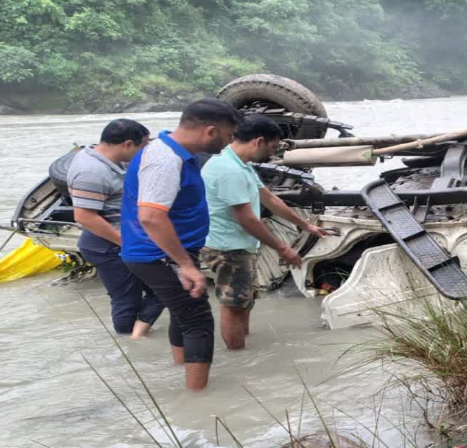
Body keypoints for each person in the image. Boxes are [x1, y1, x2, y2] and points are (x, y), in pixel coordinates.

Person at [120, 99, 242, 391]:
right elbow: (150, 217)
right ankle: (197, 400)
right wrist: (185, 265)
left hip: (166, 252)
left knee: (183, 315)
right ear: (211, 131)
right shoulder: (165, 159)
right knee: (199, 321)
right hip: (159, 255)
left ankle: (182, 372)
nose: (228, 144)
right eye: (228, 136)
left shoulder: (175, 152)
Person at [201, 114, 329, 351]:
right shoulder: (229, 170)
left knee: (244, 301)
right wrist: (283, 248)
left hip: (242, 246)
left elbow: (269, 198)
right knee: (232, 305)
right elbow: (247, 218)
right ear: (259, 141)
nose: (272, 153)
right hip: (228, 248)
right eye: (272, 146)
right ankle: (238, 358)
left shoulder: (241, 165)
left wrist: (306, 225)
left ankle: (245, 346)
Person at [67, 119, 161, 339]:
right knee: (128, 300)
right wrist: (127, 243)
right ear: (128, 144)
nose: (144, 151)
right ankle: (132, 343)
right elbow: (84, 216)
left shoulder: (112, 160)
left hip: (122, 240)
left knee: (160, 290)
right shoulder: (91, 171)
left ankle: (139, 334)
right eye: (143, 146)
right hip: (108, 245)